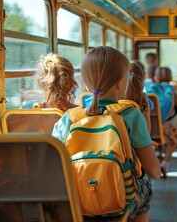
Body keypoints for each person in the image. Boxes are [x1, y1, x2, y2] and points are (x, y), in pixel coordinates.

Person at [52, 46, 160, 221]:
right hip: (122, 198)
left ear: (86, 84)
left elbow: (54, 162)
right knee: (145, 192)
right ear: (121, 83)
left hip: (77, 197)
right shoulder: (131, 114)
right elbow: (154, 171)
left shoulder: (70, 118)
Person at [123, 62, 152, 133]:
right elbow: (147, 130)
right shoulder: (143, 97)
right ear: (142, 79)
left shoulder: (116, 97)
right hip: (139, 142)